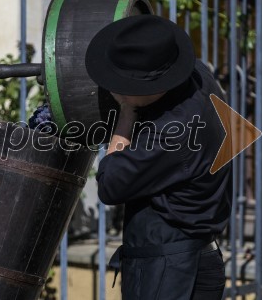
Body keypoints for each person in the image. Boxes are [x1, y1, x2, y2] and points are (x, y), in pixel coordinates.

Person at [85, 15, 232, 299]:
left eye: (121, 84)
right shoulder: (198, 76)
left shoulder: (173, 132)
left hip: (173, 274)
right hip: (180, 260)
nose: (112, 88)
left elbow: (110, 183)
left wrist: (127, 113)